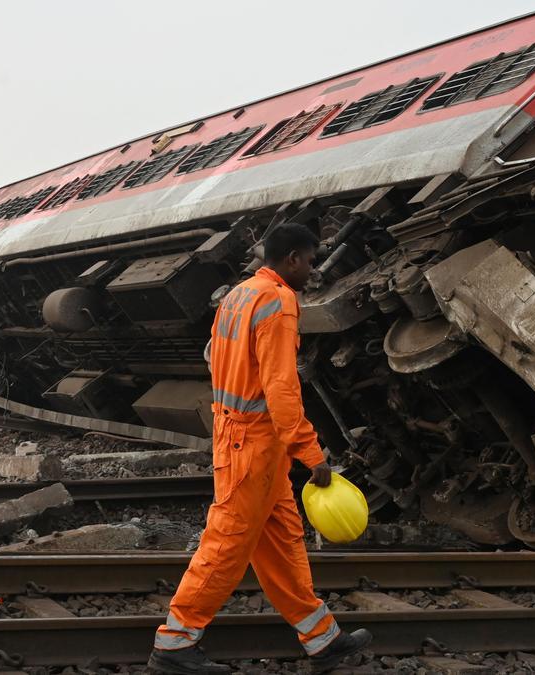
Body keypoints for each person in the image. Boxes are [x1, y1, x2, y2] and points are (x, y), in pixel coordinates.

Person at [148, 223, 371, 674]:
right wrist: (312, 454)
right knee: (228, 542)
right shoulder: (279, 301)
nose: (312, 270)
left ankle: (322, 640)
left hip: (243, 438)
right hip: (253, 442)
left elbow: (212, 356)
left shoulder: (238, 294)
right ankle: (174, 644)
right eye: (309, 261)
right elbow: (281, 388)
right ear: (291, 258)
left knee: (282, 542)